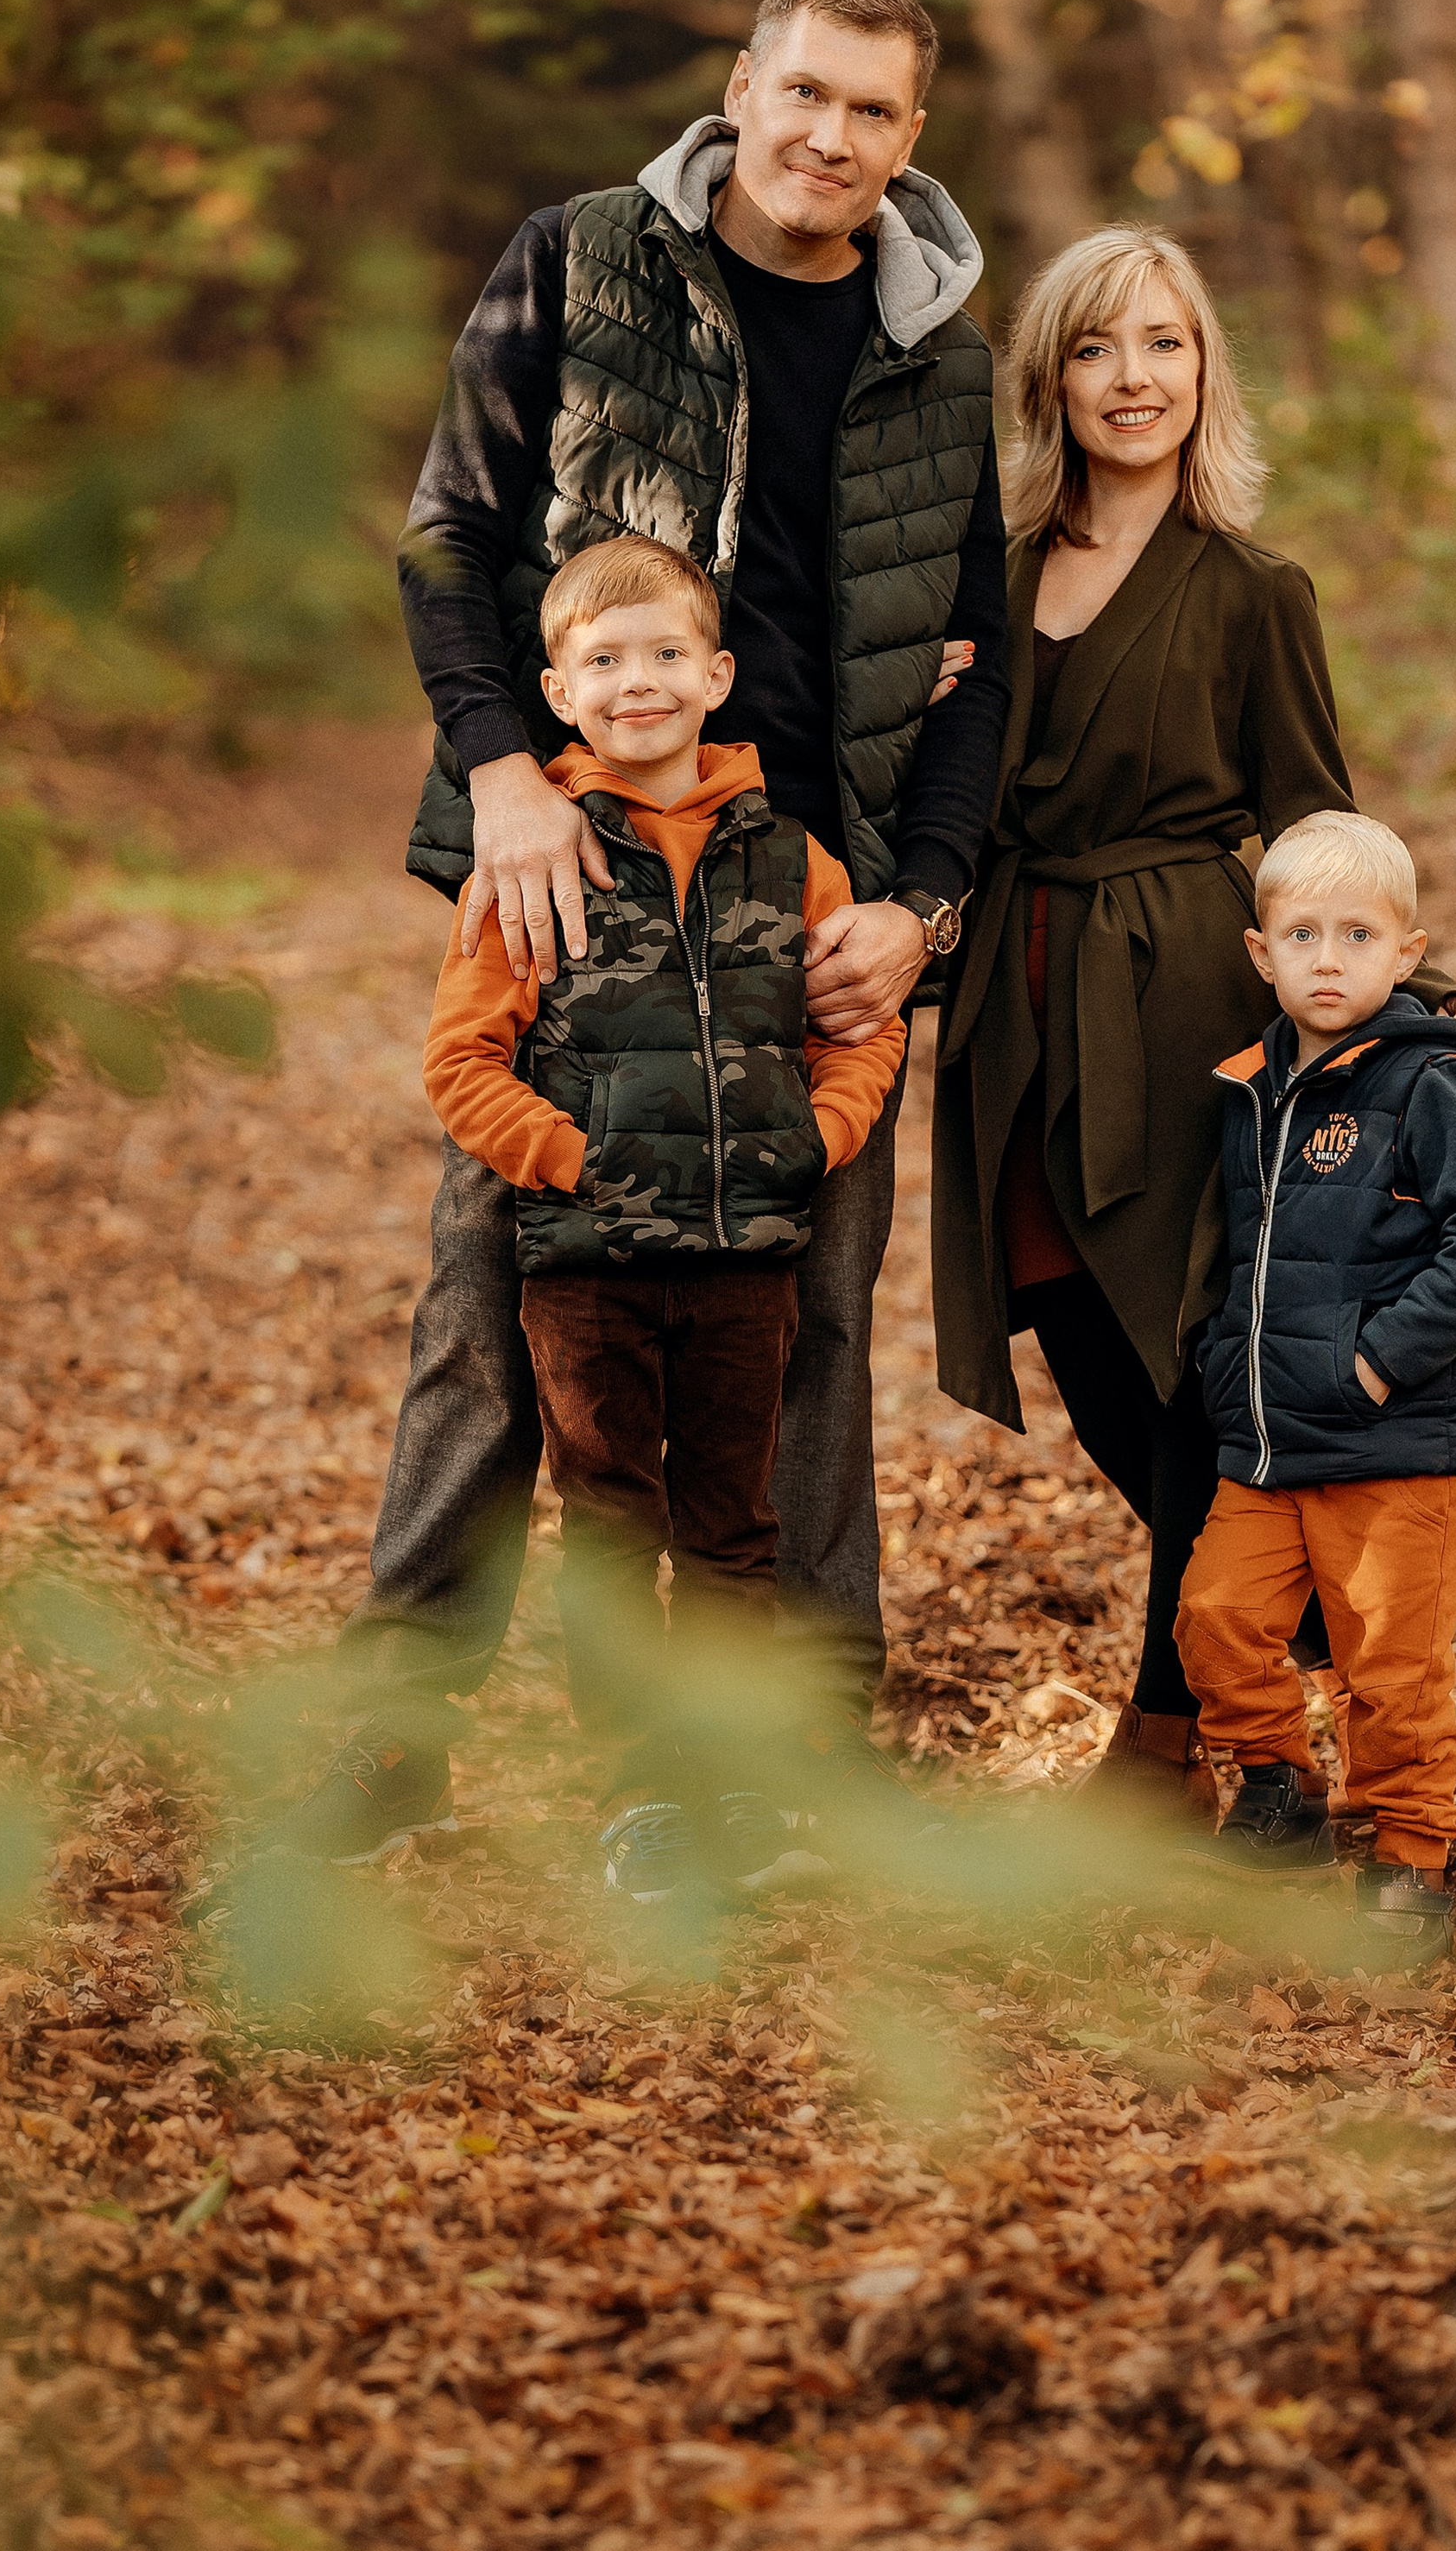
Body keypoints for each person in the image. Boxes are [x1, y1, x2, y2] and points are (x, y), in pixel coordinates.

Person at [286, 0, 1009, 1867]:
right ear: (739, 88)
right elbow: (446, 531)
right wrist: (502, 772)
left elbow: (983, 665)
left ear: (909, 140)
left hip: (811, 907)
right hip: (570, 867)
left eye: (870, 111)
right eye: (801, 93)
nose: (827, 137)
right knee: (491, 1310)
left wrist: (922, 909)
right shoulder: (581, 259)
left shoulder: (939, 343)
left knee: (804, 1336)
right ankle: (391, 1742)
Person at [930, 225, 1456, 1827]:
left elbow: (1317, 821)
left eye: (1165, 345)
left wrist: (1399, 996)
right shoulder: (998, 571)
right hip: (1012, 1022)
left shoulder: (1254, 589)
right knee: (1098, 1370)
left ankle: (1179, 1741)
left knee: (1189, 1379)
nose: (1133, 379)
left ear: (1203, 372)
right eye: (1098, 348)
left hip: (1181, 1007)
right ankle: (1279, 1645)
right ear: (1052, 375)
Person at [417, 534, 905, 1900]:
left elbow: (858, 1036)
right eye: (604, 662)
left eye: (665, 656)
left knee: (734, 1529)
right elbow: (462, 1064)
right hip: (586, 1277)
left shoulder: (787, 857)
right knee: (617, 1530)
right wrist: (580, 1162)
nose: (639, 683)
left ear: (718, 674)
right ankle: (638, 1797)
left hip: (749, 1266)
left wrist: (816, 1137)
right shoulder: (534, 865)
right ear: (559, 693)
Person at [1177, 809, 1456, 1964]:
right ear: (1261, 953)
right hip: (1272, 1439)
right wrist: (1233, 1365)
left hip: (1398, 1443)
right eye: (1305, 935)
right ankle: (1277, 1792)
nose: (1329, 960)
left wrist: (1377, 1359)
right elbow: (1246, 1255)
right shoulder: (1251, 1088)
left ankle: (1407, 1865)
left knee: (1391, 1669)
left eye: (1358, 937)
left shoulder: (1431, 1083)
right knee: (1216, 1616)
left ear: (1407, 953)